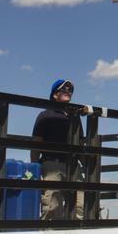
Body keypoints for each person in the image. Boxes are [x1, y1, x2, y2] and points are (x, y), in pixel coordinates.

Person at [33, 78, 86, 221]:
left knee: (81, 204)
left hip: (73, 165)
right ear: (54, 94)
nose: (68, 92)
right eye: (64, 89)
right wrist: (34, 167)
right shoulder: (45, 115)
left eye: (70, 90)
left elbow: (80, 142)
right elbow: (37, 142)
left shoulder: (75, 117)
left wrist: (85, 165)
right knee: (52, 207)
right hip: (51, 164)